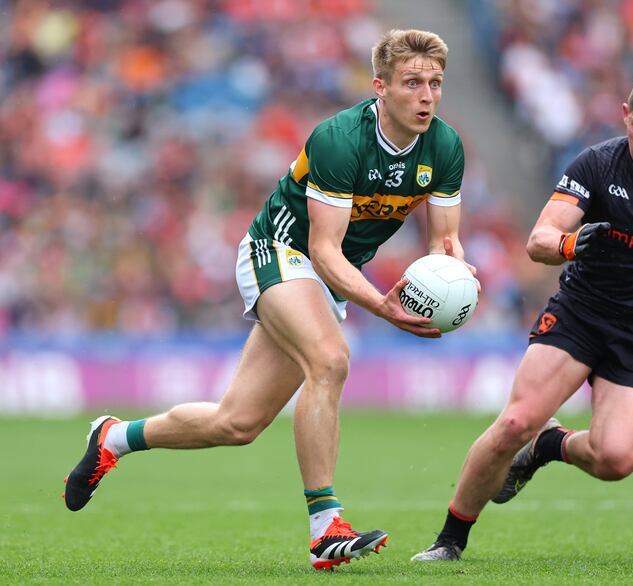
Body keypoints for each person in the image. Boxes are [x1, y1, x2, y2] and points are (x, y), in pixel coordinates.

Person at [64, 28, 476, 571]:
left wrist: (455, 276)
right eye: (412, 83)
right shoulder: (339, 139)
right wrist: (383, 306)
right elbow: (323, 250)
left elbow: (444, 242)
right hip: (280, 250)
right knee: (329, 359)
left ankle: (114, 438)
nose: (427, 96)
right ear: (380, 86)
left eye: (435, 84)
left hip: (328, 275)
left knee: (237, 423)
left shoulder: (444, 146)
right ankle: (326, 526)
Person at [412, 71, 633, 561]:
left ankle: (548, 445)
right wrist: (569, 243)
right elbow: (539, 240)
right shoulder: (598, 164)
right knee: (515, 421)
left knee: (616, 459)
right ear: (625, 116)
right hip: (581, 315)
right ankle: (449, 541)